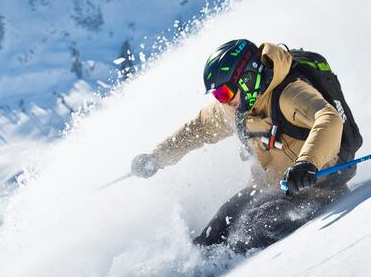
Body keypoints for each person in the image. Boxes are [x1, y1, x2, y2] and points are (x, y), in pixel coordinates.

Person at [130, 38, 358, 252]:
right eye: (218, 95)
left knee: (256, 226)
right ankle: (196, 274)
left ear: (247, 77)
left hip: (314, 183)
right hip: (268, 186)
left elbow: (328, 119)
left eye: (225, 91)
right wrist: (157, 157)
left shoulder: (289, 93)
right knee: (216, 230)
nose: (223, 100)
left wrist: (307, 163)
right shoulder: (236, 107)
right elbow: (197, 129)